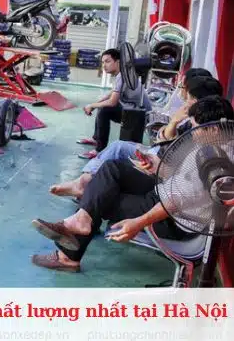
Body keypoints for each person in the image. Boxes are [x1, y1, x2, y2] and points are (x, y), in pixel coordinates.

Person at [31, 96, 234, 272]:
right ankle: (80, 219)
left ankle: (68, 256)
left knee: (101, 197)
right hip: (165, 192)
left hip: (173, 219)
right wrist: (156, 167)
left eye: (196, 127)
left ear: (214, 129)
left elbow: (175, 201)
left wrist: (139, 223)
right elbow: (184, 180)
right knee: (112, 169)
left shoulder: (215, 161)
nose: (192, 131)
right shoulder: (216, 144)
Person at [50, 74, 224, 199]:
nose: (183, 96)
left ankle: (85, 190)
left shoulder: (204, 129)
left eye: (186, 92)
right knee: (118, 146)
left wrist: (155, 161)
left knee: (114, 160)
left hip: (164, 166)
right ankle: (83, 184)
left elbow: (180, 164)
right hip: (160, 154)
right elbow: (163, 139)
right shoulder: (191, 118)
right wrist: (173, 123)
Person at [76, 49, 152, 159]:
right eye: (102, 62)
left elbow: (112, 102)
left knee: (105, 110)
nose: (104, 65)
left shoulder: (122, 75)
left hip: (139, 116)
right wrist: (95, 104)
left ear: (118, 62)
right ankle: (96, 138)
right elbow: (113, 92)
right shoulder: (123, 73)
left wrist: (92, 106)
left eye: (107, 61)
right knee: (102, 106)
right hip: (133, 111)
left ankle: (99, 150)